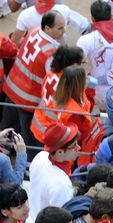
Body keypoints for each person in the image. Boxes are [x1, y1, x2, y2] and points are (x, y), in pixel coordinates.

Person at [0, 10, 65, 160]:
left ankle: (3, 155)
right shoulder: (51, 53)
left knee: (6, 130)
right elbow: (52, 81)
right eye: (60, 28)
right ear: (48, 28)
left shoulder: (34, 32)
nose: (63, 32)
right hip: (28, 100)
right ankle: (29, 170)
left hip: (12, 89)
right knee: (28, 141)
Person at [77, 0, 113, 111]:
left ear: (92, 19)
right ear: (110, 16)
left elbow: (77, 62)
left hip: (101, 90)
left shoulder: (85, 40)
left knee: (106, 114)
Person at [27, 123, 80, 223]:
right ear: (60, 152)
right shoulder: (62, 185)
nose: (79, 147)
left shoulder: (40, 157)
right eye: (74, 145)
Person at [30, 47, 89, 144]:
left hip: (39, 124)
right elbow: (80, 110)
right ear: (74, 65)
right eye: (83, 62)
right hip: (53, 134)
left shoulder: (51, 75)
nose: (85, 65)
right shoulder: (71, 85)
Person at [10, 0, 90, 47]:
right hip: (58, 48)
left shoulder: (25, 14)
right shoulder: (64, 10)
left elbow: (14, 43)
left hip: (36, 48)